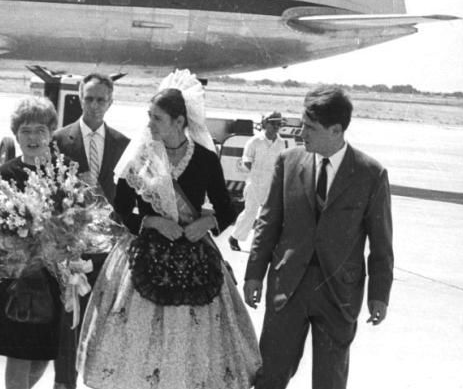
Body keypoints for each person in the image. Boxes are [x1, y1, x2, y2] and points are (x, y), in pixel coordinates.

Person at [77, 70, 260, 388]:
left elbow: (227, 208)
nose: (149, 125)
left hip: (195, 257)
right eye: (149, 117)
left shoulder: (204, 159)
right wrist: (152, 221)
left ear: (179, 122)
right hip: (143, 254)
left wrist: (206, 222)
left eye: (157, 119)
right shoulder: (139, 156)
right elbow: (120, 210)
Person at [243, 86, 393, 389]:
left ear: (336, 130)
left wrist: (379, 294)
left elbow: (381, 244)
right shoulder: (288, 162)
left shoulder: (370, 174)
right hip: (288, 290)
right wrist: (254, 274)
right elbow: (268, 223)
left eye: (310, 127)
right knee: (270, 375)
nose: (301, 133)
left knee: (330, 381)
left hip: (338, 294)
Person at [50, 72, 130, 388]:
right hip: (71, 244)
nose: (94, 105)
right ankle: (64, 381)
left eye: (101, 99)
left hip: (109, 249)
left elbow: (128, 197)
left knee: (105, 319)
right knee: (68, 320)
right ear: (80, 98)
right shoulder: (59, 140)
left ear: (111, 102)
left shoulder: (123, 144)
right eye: (89, 98)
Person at [0, 96, 64, 389]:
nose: (33, 137)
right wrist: (19, 248)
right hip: (14, 278)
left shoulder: (62, 175)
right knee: (18, 353)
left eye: (40, 130)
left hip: (50, 277)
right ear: (16, 134)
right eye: (26, 130)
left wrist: (57, 246)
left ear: (51, 133)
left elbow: (73, 225)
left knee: (42, 355)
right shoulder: (5, 175)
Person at [228, 111, 288, 252]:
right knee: (250, 212)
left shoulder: (281, 143)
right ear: (266, 123)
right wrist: (257, 171)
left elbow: (281, 162)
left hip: (271, 184)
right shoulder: (254, 141)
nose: (276, 127)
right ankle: (235, 237)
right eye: (273, 123)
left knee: (271, 215)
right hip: (254, 183)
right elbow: (247, 161)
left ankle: (266, 244)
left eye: (279, 124)